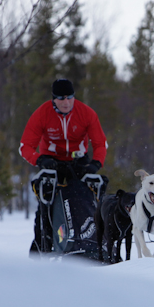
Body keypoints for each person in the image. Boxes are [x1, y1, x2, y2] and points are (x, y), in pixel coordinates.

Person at [20, 78, 108, 254]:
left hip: (79, 163)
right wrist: (39, 160)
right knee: (46, 206)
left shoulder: (86, 113)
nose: (66, 103)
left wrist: (95, 164)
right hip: (51, 163)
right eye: (61, 98)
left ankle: (92, 244)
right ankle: (42, 247)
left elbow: (100, 144)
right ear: (53, 99)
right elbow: (25, 147)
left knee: (85, 201)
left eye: (70, 98)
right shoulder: (42, 114)